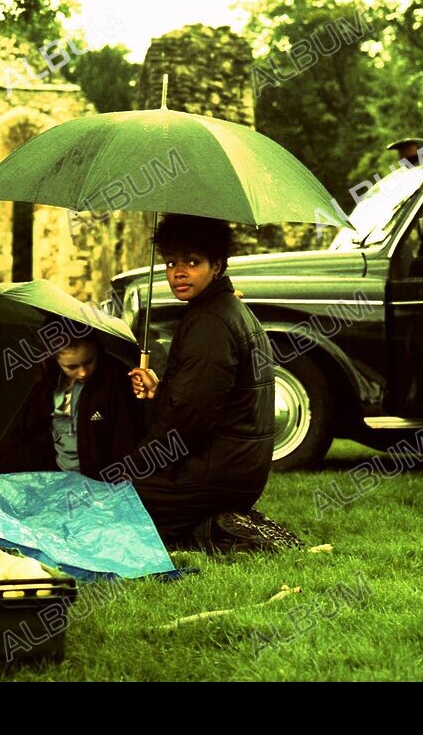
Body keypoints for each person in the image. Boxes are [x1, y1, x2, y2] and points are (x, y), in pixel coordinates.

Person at [128, 214, 302, 553]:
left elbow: (188, 420)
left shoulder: (210, 322)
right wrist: (160, 391)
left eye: (192, 262)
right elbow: (208, 399)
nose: (178, 272)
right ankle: (218, 520)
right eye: (171, 262)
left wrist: (140, 460)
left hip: (216, 471)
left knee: (122, 508)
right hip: (238, 467)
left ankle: (216, 530)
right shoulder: (223, 309)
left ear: (217, 266)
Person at [0, 322, 145, 481]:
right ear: (54, 359)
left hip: (93, 477)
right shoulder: (45, 379)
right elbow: (23, 430)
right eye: (71, 366)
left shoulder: (115, 378)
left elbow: (125, 441)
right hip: (52, 465)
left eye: (89, 361)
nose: (83, 372)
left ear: (97, 349)